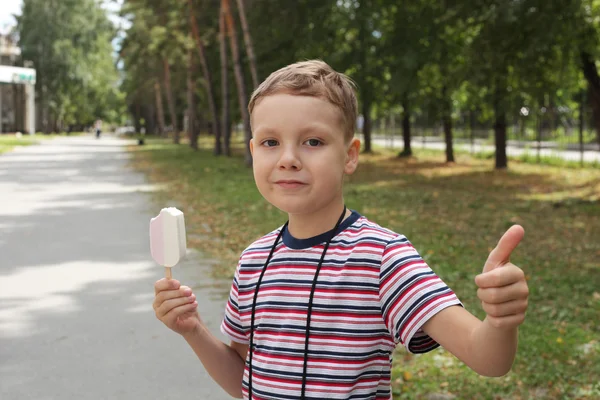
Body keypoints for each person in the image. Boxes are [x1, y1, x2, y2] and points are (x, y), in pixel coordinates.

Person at [153, 60, 530, 400]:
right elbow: (243, 381)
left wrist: (500, 320)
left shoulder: (382, 258)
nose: (288, 159)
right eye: (271, 142)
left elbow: (488, 359)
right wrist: (193, 330)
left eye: (312, 141)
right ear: (253, 151)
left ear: (349, 155)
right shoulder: (253, 261)